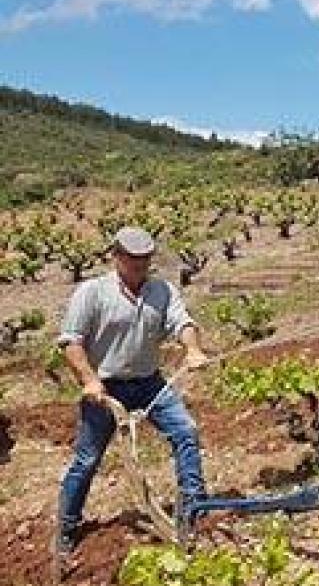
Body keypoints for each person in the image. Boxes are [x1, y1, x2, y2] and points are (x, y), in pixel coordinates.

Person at [55, 226, 210, 558]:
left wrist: (193, 350)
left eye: (145, 259)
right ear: (117, 257)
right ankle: (66, 529)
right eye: (132, 258)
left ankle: (193, 510)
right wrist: (89, 380)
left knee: (186, 431)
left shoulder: (162, 291)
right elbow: (71, 341)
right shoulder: (92, 293)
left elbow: (182, 324)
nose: (139, 265)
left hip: (149, 382)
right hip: (106, 387)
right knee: (87, 458)